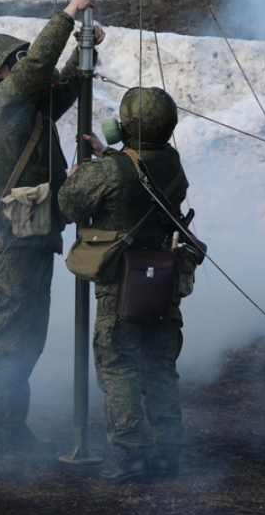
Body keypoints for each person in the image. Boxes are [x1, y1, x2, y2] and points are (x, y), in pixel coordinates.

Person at [0, 0, 105, 459]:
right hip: (15, 239)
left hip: (36, 233)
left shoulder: (23, 105)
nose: (27, 63)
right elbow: (35, 72)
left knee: (29, 337)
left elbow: (59, 92)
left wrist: (82, 59)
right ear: (0, 71)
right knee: (8, 334)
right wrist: (69, 15)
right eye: (18, 59)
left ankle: (10, 425)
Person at [58, 87, 190, 483]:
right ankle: (169, 454)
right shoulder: (172, 161)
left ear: (126, 126)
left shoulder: (111, 170)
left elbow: (69, 204)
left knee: (119, 367)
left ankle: (133, 456)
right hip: (162, 276)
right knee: (161, 367)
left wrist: (82, 173)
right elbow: (137, 171)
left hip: (121, 282)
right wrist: (109, 155)